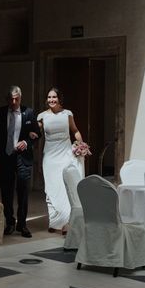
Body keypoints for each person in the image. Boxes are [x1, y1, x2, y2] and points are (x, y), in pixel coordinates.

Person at [0, 85, 40, 238]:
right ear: (7, 99)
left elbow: (37, 133)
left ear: (20, 98)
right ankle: (9, 222)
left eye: (17, 99)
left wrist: (27, 142)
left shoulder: (28, 113)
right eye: (11, 99)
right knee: (7, 191)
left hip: (23, 157)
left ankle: (22, 224)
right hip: (5, 157)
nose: (14, 102)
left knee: (23, 191)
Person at [37, 87, 85, 234]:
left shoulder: (67, 114)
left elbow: (75, 131)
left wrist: (81, 145)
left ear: (59, 99)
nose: (51, 100)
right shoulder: (41, 117)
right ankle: (54, 221)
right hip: (50, 156)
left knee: (65, 188)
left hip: (65, 154)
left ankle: (67, 223)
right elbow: (36, 135)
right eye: (49, 97)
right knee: (51, 188)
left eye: (54, 97)